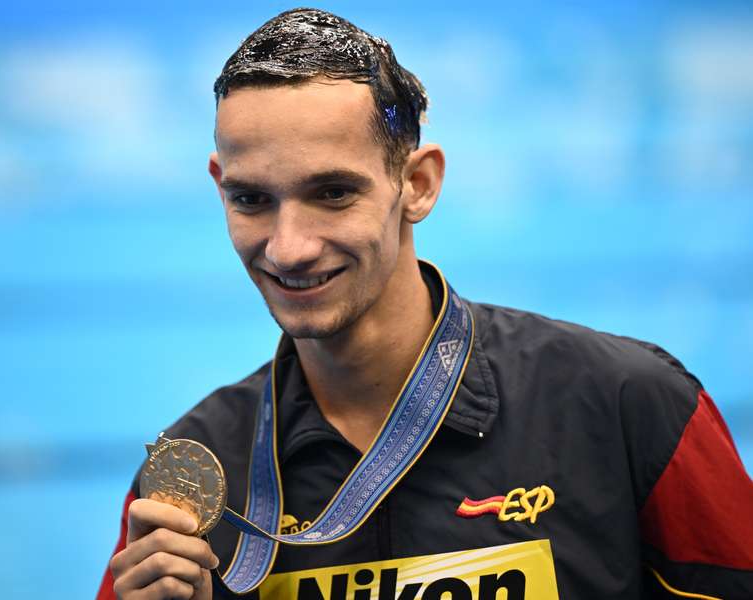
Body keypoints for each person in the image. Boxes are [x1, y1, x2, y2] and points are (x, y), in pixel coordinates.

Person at [98, 8, 753, 600]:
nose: (288, 247)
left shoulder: (625, 406)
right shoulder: (194, 472)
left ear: (417, 184)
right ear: (220, 186)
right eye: (251, 200)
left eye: (331, 193)